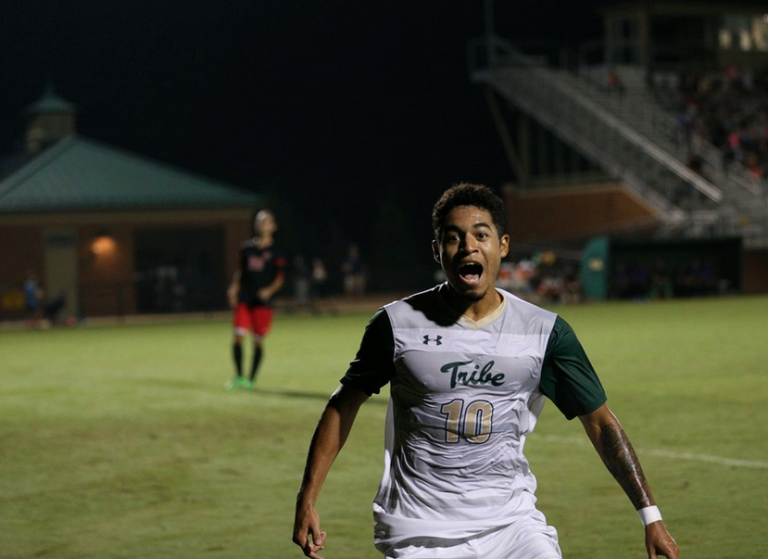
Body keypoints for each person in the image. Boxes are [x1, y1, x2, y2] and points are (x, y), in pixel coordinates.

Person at [293, 183, 679, 559]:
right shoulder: (397, 324)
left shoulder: (544, 332)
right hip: (420, 533)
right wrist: (307, 497)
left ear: (503, 245)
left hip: (512, 527)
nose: (469, 246)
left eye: (481, 234)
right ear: (437, 250)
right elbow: (343, 405)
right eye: (453, 237)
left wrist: (651, 517)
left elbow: (600, 423)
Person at [225, 209, 286, 391]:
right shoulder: (246, 249)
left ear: (273, 226)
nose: (262, 224)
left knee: (257, 340)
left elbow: (279, 278)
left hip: (263, 303)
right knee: (238, 336)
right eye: (259, 221)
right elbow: (240, 272)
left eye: (266, 221)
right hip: (245, 298)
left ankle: (251, 379)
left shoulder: (277, 252)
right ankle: (238, 377)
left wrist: (269, 290)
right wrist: (233, 288)